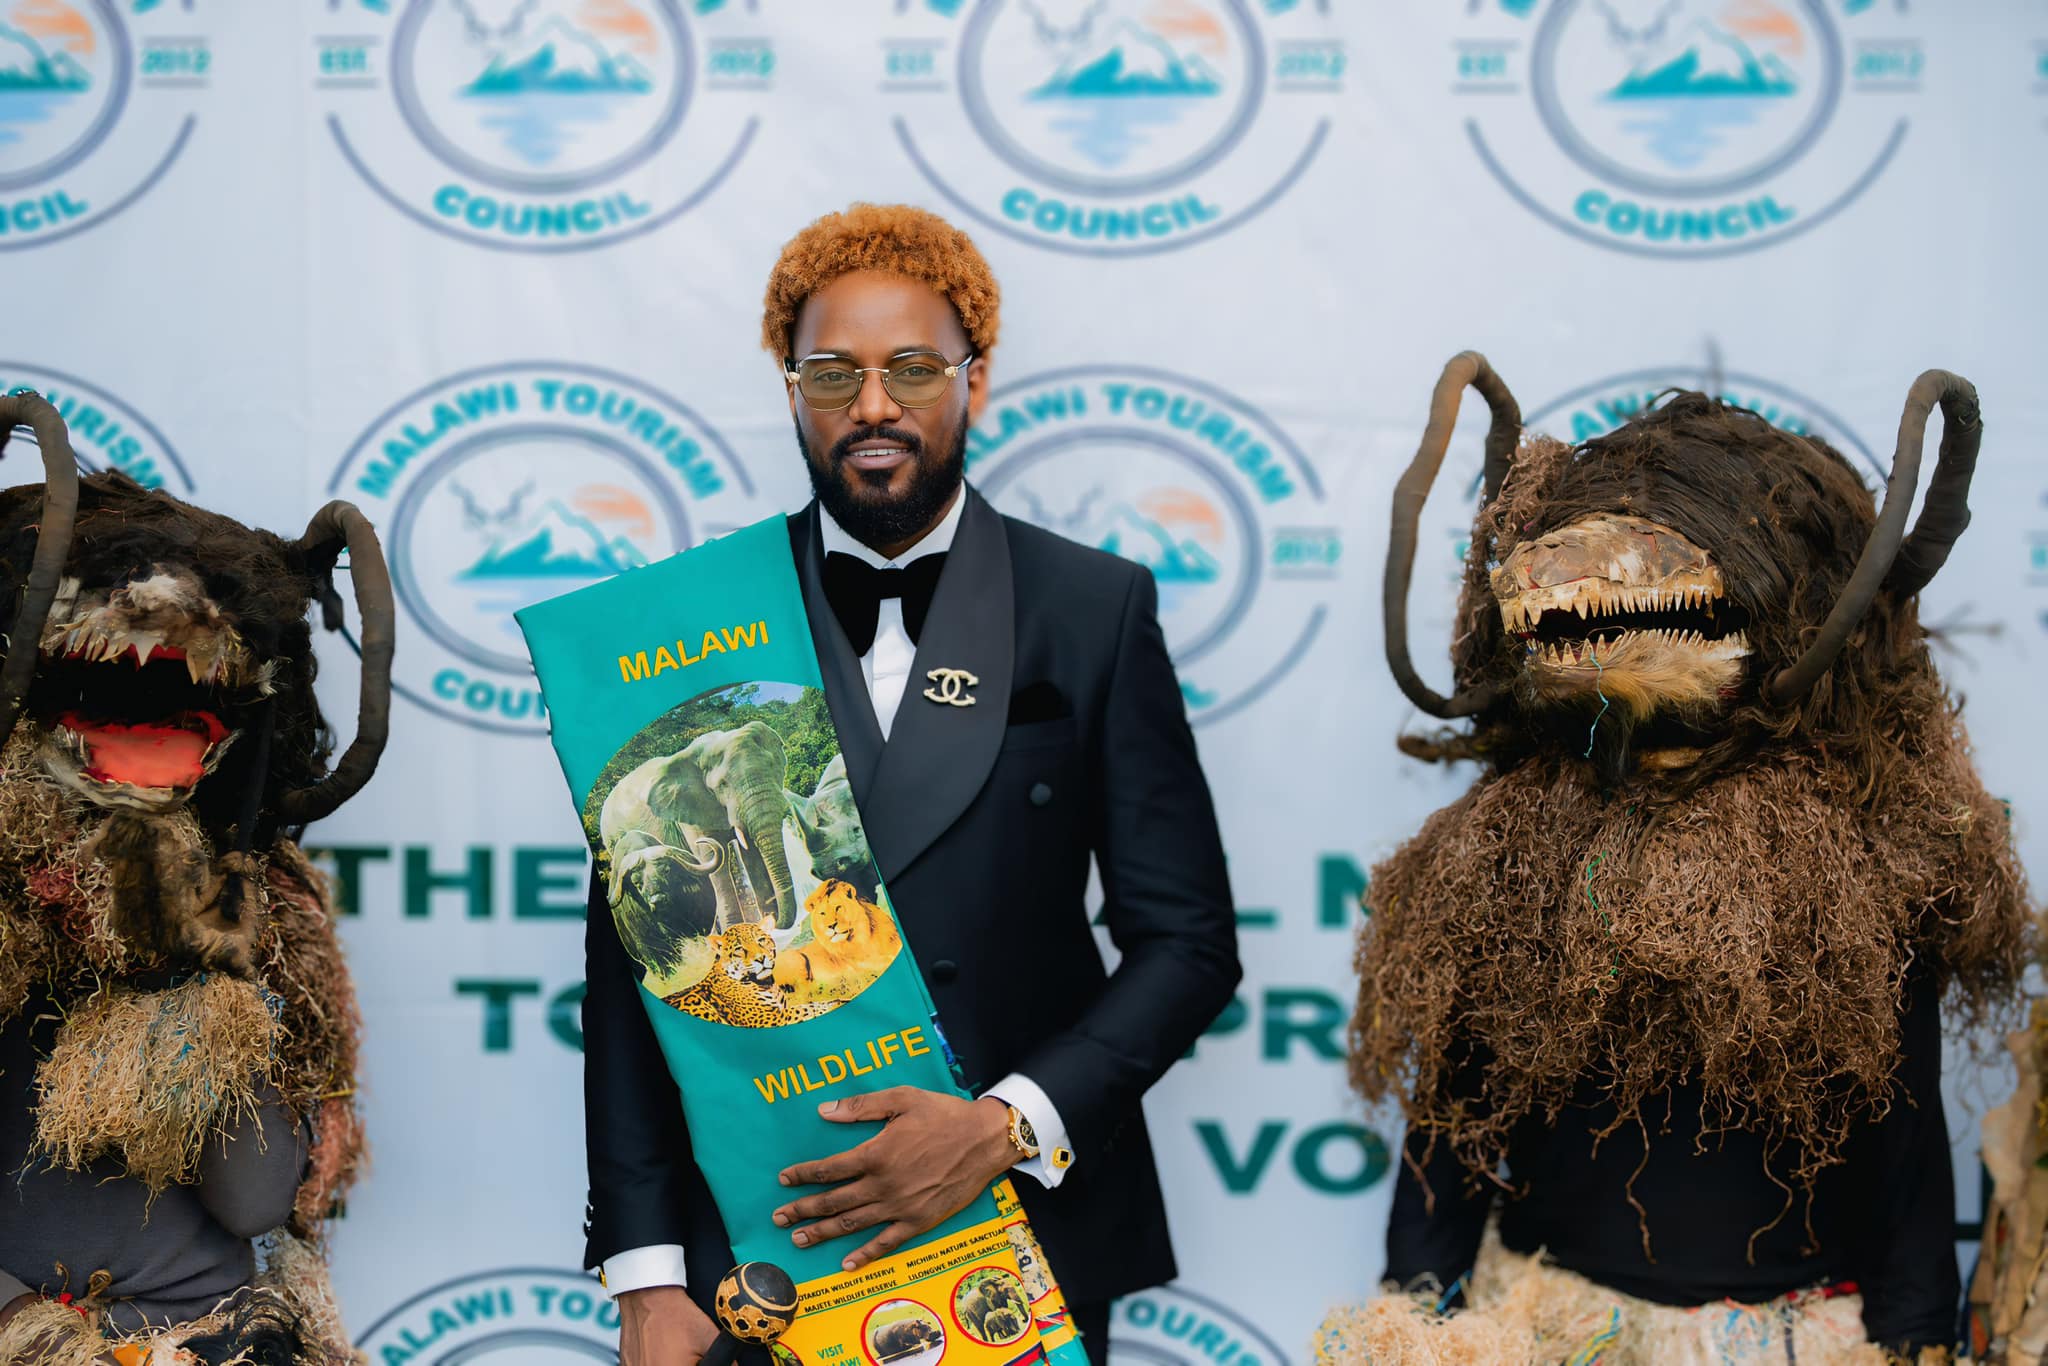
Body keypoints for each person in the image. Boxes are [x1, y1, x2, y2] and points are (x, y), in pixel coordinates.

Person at [580, 203, 1241, 1366]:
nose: (873, 404)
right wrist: (644, 1271)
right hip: (753, 1249)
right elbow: (631, 972)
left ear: (972, 381)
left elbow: (1186, 945)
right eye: (834, 373)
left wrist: (1002, 1125)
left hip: (1015, 1229)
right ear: (793, 391)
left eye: (913, 369)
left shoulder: (1092, 609)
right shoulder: (690, 631)